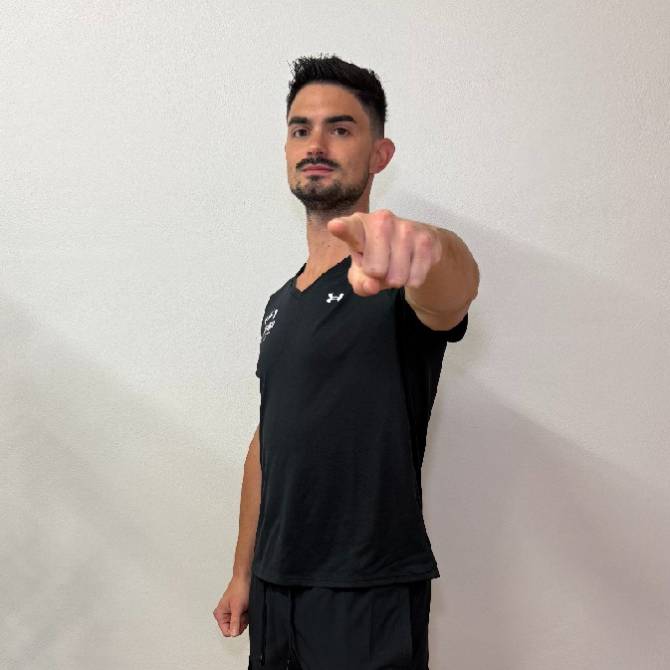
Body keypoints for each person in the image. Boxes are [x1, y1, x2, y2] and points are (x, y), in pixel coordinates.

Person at [214, 54, 480, 670]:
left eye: (340, 128)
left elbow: (452, 289)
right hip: (275, 588)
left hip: (366, 591)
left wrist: (433, 249)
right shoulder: (280, 304)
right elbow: (268, 438)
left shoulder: (397, 275)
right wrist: (243, 571)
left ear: (379, 154)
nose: (316, 144)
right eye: (300, 129)